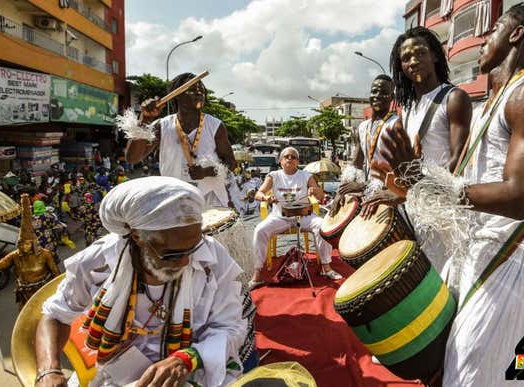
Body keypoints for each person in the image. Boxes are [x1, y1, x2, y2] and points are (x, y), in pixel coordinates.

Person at [372, 3, 524, 385]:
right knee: (446, 363)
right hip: (475, 246)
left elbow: (519, 197)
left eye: (495, 27)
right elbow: (457, 178)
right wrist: (410, 177)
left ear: (516, 34)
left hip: (514, 255)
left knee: (474, 375)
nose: (484, 38)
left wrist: (422, 185)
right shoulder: (493, 102)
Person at [35, 176, 246, 387]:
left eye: (193, 248)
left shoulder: (212, 257)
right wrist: (48, 371)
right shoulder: (97, 262)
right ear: (137, 236)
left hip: (193, 370)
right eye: (172, 254)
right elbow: (55, 316)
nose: (185, 261)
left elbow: (231, 327)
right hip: (113, 376)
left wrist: (188, 358)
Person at [125, 73, 237, 209]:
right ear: (176, 94)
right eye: (192, 90)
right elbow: (132, 158)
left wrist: (207, 171)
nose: (199, 93)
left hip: (210, 199)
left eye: (202, 90)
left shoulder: (215, 125)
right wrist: (145, 120)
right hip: (174, 200)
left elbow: (231, 163)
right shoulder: (161, 126)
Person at [250, 147, 342, 288]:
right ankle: (257, 273)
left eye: (293, 157)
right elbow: (258, 194)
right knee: (259, 230)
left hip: (304, 215)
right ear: (281, 161)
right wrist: (266, 197)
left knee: (322, 225)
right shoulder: (273, 176)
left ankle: (326, 267)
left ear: (298, 161)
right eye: (286, 156)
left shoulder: (306, 176)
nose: (290, 159)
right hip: (280, 216)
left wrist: (314, 190)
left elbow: (320, 196)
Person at [391, 26, 471, 171]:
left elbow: (459, 161)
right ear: (401, 66)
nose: (413, 62)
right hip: (413, 191)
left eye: (420, 53)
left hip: (442, 191)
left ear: (434, 56)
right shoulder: (407, 110)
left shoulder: (454, 98)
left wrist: (422, 184)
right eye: (406, 58)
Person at [330, 75, 399, 216]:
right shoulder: (363, 127)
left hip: (389, 199)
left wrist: (362, 185)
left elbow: (399, 171)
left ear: (392, 97)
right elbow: (356, 163)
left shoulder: (397, 125)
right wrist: (341, 191)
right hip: (368, 195)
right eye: (374, 91)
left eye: (384, 92)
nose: (377, 96)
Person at [0, 194, 60, 309]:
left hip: (43, 291)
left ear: (32, 243)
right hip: (24, 295)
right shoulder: (15, 255)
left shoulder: (45, 254)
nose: (24, 246)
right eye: (21, 243)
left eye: (27, 243)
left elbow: (56, 274)